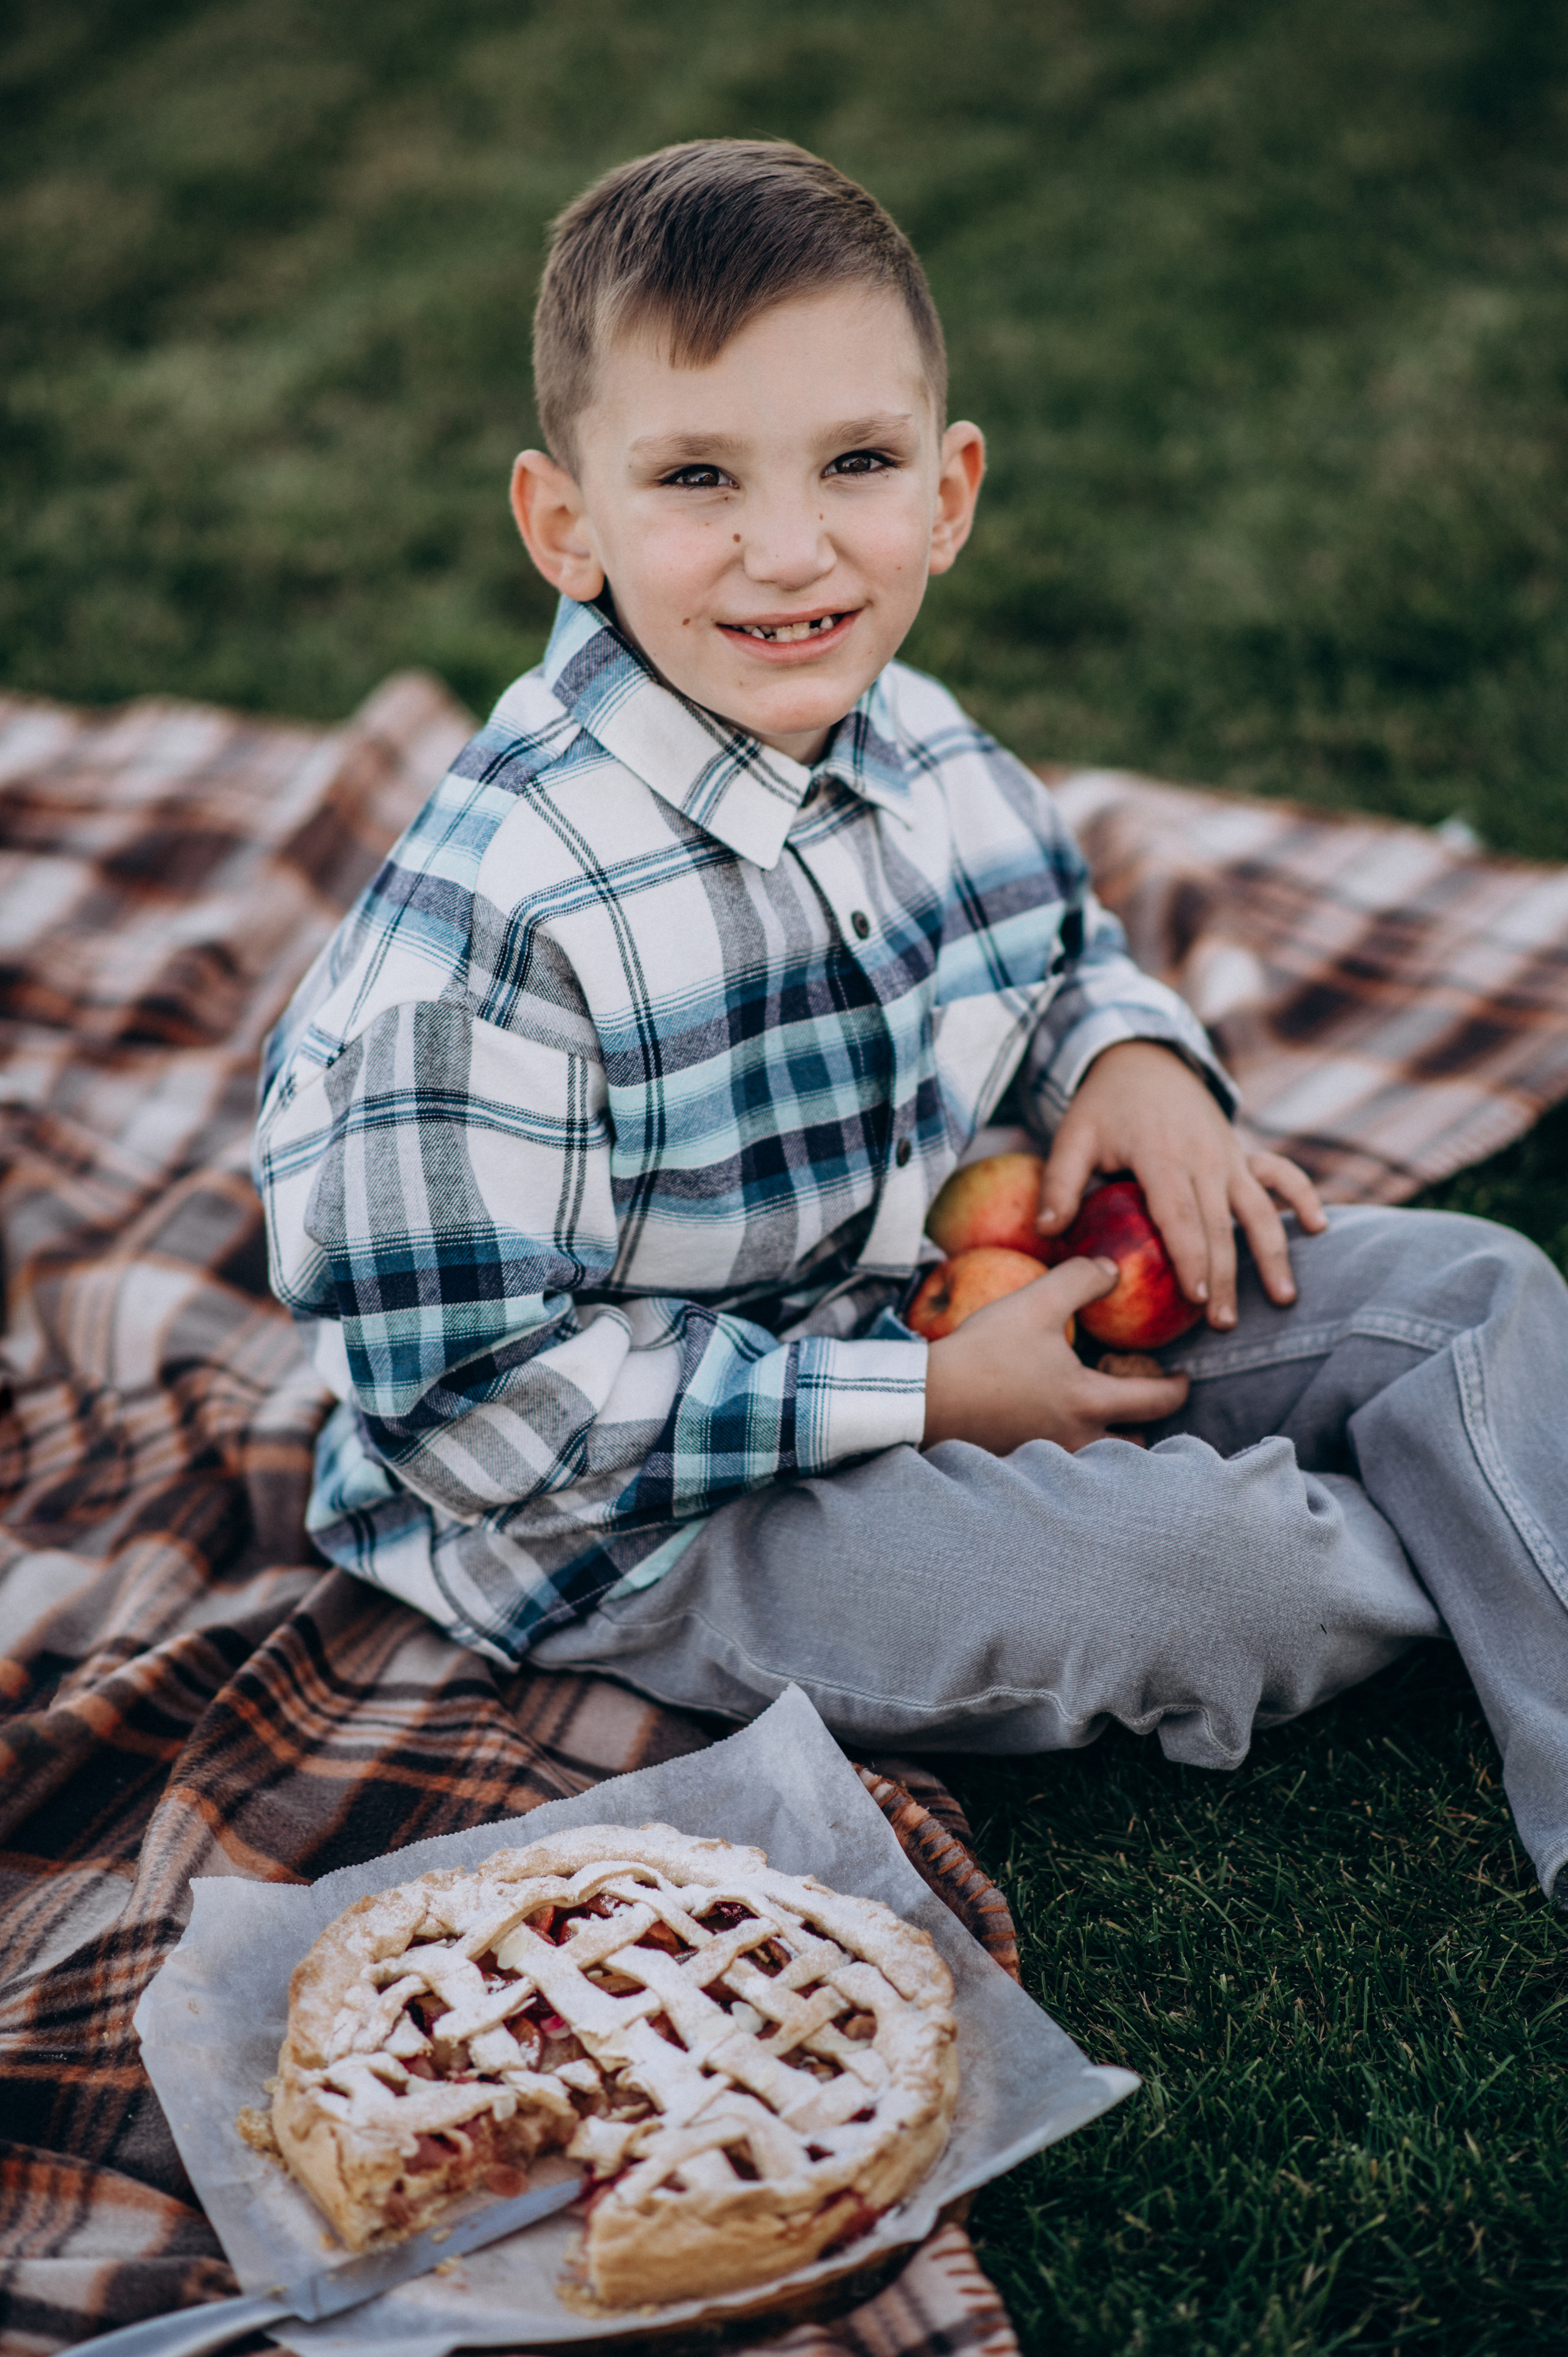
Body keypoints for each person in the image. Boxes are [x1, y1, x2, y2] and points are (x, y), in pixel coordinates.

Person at [255, 140, 1568, 1905]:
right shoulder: (497, 933)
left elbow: (1053, 948)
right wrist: (929, 1393)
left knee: (1480, 1296)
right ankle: (1463, 1523)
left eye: (854, 465)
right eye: (698, 477)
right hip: (649, 1516)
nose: (788, 550)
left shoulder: (920, 740)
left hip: (960, 1299)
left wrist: (1134, 1056)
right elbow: (469, 1410)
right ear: (566, 524)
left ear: (947, 493)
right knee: (1212, 1583)